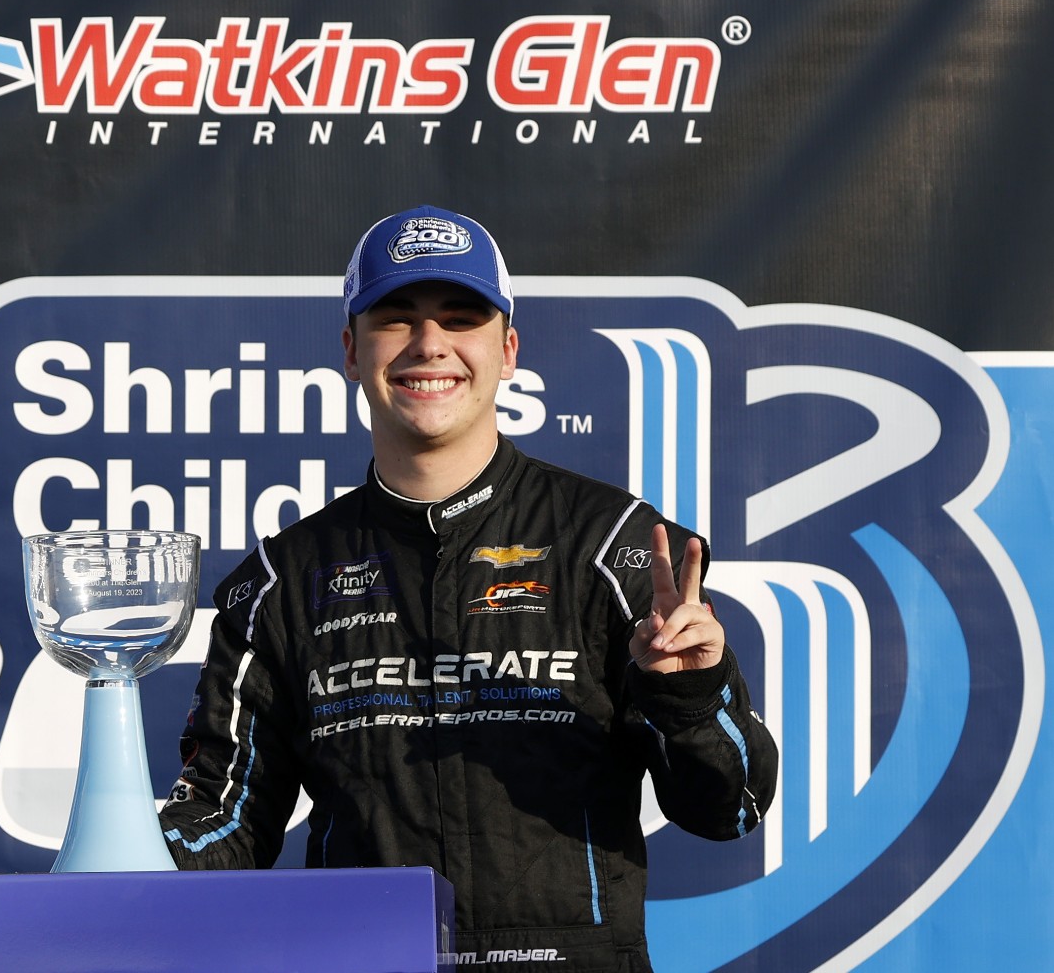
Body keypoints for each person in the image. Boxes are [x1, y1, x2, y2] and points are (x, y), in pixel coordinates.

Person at [158, 206, 778, 972]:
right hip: (367, 961)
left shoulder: (610, 545)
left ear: (508, 349)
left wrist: (692, 697)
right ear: (351, 350)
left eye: (461, 318)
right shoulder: (282, 580)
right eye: (396, 320)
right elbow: (226, 823)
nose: (429, 345)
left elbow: (730, 809)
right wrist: (119, 867)